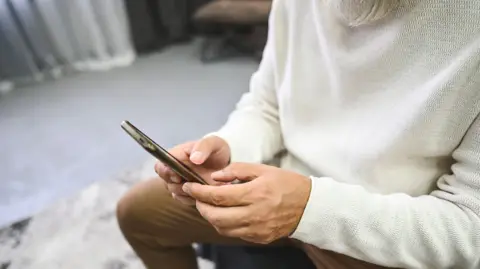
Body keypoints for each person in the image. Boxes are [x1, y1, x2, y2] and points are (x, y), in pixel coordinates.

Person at [116, 1, 480, 268]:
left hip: (386, 220)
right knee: (137, 214)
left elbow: (469, 227)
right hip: (282, 180)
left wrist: (309, 208)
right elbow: (267, 104)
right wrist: (229, 147)